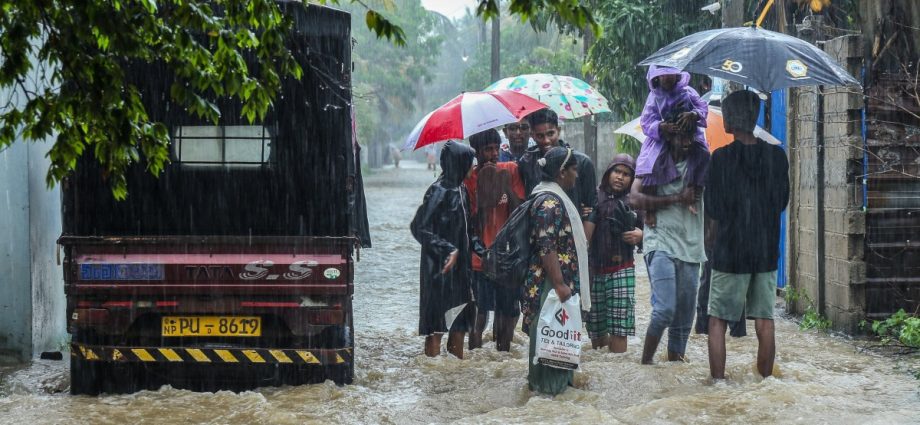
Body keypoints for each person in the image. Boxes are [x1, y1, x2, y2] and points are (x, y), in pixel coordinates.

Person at [705, 90, 789, 380]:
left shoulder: (720, 159)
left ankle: (718, 383)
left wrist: (711, 244)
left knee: (718, 320)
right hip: (765, 251)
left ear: (729, 120)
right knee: (765, 321)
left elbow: (713, 209)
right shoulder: (777, 157)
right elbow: (781, 202)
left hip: (730, 250)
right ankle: (766, 382)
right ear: (754, 119)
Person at [629, 119, 709, 365]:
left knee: (684, 321)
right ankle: (645, 365)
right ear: (668, 137)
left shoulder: (702, 164)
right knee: (664, 309)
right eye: (679, 137)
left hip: (691, 246)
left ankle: (674, 372)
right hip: (659, 241)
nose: (685, 143)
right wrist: (677, 198)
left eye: (689, 137)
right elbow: (634, 198)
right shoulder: (653, 162)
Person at [522, 147, 590, 395]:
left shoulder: (549, 196)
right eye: (574, 170)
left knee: (558, 340)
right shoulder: (550, 202)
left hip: (552, 282)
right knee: (552, 341)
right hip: (550, 284)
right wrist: (560, 284)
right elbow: (546, 245)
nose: (577, 175)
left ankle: (554, 394)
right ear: (562, 172)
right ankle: (548, 394)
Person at [410, 141, 482, 359]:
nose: (473, 166)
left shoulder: (461, 189)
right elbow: (419, 227)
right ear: (459, 163)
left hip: (461, 271)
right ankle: (432, 372)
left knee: (459, 325)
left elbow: (468, 229)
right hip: (439, 272)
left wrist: (481, 249)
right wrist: (447, 249)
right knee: (436, 328)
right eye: (470, 162)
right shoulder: (438, 191)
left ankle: (455, 375)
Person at [464, 129, 525, 351]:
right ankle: (475, 357)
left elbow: (520, 211)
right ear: (476, 152)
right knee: (480, 312)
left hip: (507, 256)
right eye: (487, 149)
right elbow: (468, 222)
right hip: (480, 259)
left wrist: (504, 185)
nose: (493, 154)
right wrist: (485, 191)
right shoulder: (469, 178)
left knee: (509, 311)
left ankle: (503, 353)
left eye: (496, 148)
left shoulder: (510, 170)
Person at [635, 66, 709, 227]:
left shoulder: (688, 92)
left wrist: (693, 115)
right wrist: (661, 126)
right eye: (662, 76)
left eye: (670, 75)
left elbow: (702, 107)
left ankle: (693, 189)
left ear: (677, 75)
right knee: (651, 165)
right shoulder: (653, 97)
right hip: (662, 139)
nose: (667, 78)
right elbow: (646, 122)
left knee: (703, 154)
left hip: (689, 133)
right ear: (656, 78)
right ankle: (650, 212)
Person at [584, 154, 643, 352]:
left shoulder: (635, 200)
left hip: (622, 269)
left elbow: (653, 229)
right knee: (596, 328)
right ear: (609, 172)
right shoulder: (594, 196)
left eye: (626, 174)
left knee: (619, 328)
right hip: (594, 270)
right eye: (617, 171)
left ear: (632, 179)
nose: (620, 177)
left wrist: (640, 234)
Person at [518, 109, 597, 222]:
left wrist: (584, 238)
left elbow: (592, 209)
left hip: (574, 228)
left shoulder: (582, 162)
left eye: (550, 133)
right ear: (532, 135)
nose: (546, 141)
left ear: (558, 130)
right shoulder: (526, 163)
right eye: (540, 136)